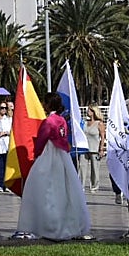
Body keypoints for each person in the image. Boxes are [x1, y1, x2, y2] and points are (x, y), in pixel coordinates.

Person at [16, 92, 91, 240]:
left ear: (48, 104)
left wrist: (36, 154)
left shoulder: (48, 121)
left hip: (49, 155)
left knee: (46, 189)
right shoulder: (62, 120)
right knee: (64, 189)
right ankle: (68, 223)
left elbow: (41, 140)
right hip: (62, 156)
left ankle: (48, 225)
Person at [80, 106, 106, 192]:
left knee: (95, 169)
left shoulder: (99, 124)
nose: (88, 111)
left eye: (90, 110)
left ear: (94, 112)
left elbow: (102, 137)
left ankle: (94, 186)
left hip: (95, 149)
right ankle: (81, 186)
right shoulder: (85, 123)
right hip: (84, 148)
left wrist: (101, 149)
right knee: (82, 167)